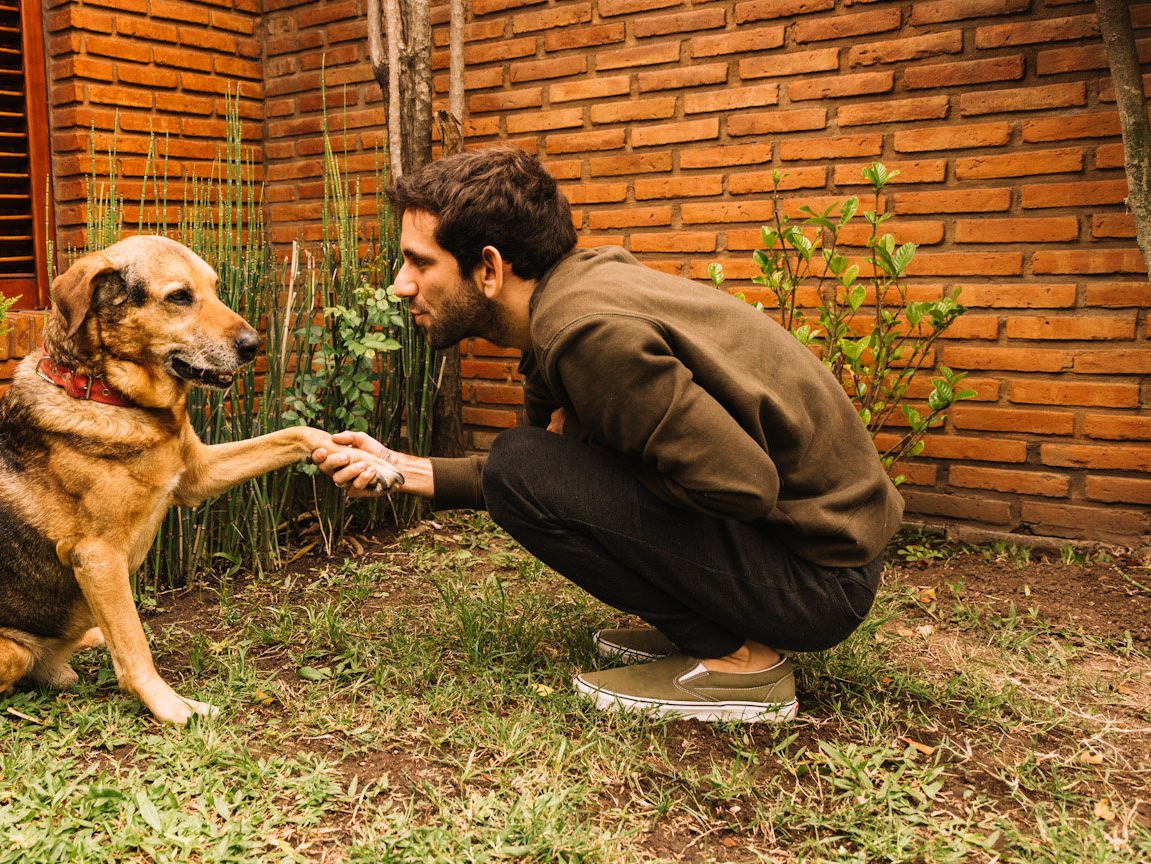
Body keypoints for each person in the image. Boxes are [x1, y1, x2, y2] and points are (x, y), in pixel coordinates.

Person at [313, 146, 902, 723]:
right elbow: (542, 470)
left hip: (818, 580)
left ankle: (739, 661)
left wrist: (589, 446)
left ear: (489, 268)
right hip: (817, 551)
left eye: (419, 262)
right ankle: (721, 628)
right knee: (525, 460)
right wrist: (402, 467)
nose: (401, 285)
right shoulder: (572, 293)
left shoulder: (586, 334)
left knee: (522, 460)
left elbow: (742, 486)